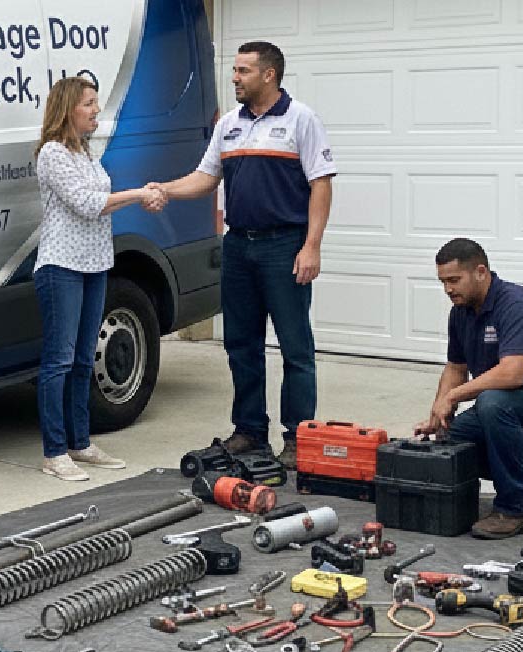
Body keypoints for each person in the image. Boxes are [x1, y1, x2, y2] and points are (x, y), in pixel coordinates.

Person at [149, 41, 335, 467]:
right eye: (235, 70)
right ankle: (250, 431)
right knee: (240, 344)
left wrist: (312, 245)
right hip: (238, 246)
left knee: (295, 347)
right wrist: (165, 189)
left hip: (284, 246)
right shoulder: (229, 124)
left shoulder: (300, 120)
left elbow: (321, 184)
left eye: (243, 71)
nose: (234, 77)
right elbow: (205, 177)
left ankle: (298, 436)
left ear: (268, 74)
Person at [33, 77, 166, 481]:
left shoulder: (87, 154)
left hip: (94, 265)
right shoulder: (53, 155)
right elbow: (88, 205)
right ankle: (54, 452)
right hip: (62, 267)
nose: (96, 111)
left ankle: (80, 443)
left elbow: (98, 202)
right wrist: (140, 194)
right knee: (58, 360)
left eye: (96, 103)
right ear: (68, 109)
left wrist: (146, 195)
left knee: (82, 359)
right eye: (89, 104)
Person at [415, 238, 523, 539]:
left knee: (493, 402)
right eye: (443, 282)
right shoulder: (461, 312)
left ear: (481, 272)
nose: (448, 289)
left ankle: (514, 509)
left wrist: (454, 396)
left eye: (454, 280)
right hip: (509, 412)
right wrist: (437, 415)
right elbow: (456, 367)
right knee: (453, 439)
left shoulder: (516, 304)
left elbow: (512, 374)